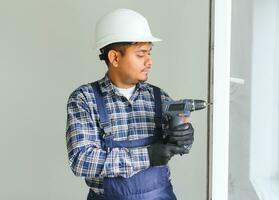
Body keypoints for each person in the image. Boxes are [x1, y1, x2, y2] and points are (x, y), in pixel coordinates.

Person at [66, 8, 194, 200]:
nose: (149, 61)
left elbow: (174, 148)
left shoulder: (159, 97)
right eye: (141, 54)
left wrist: (184, 137)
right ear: (115, 58)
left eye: (149, 53)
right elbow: (81, 161)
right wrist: (147, 157)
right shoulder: (85, 99)